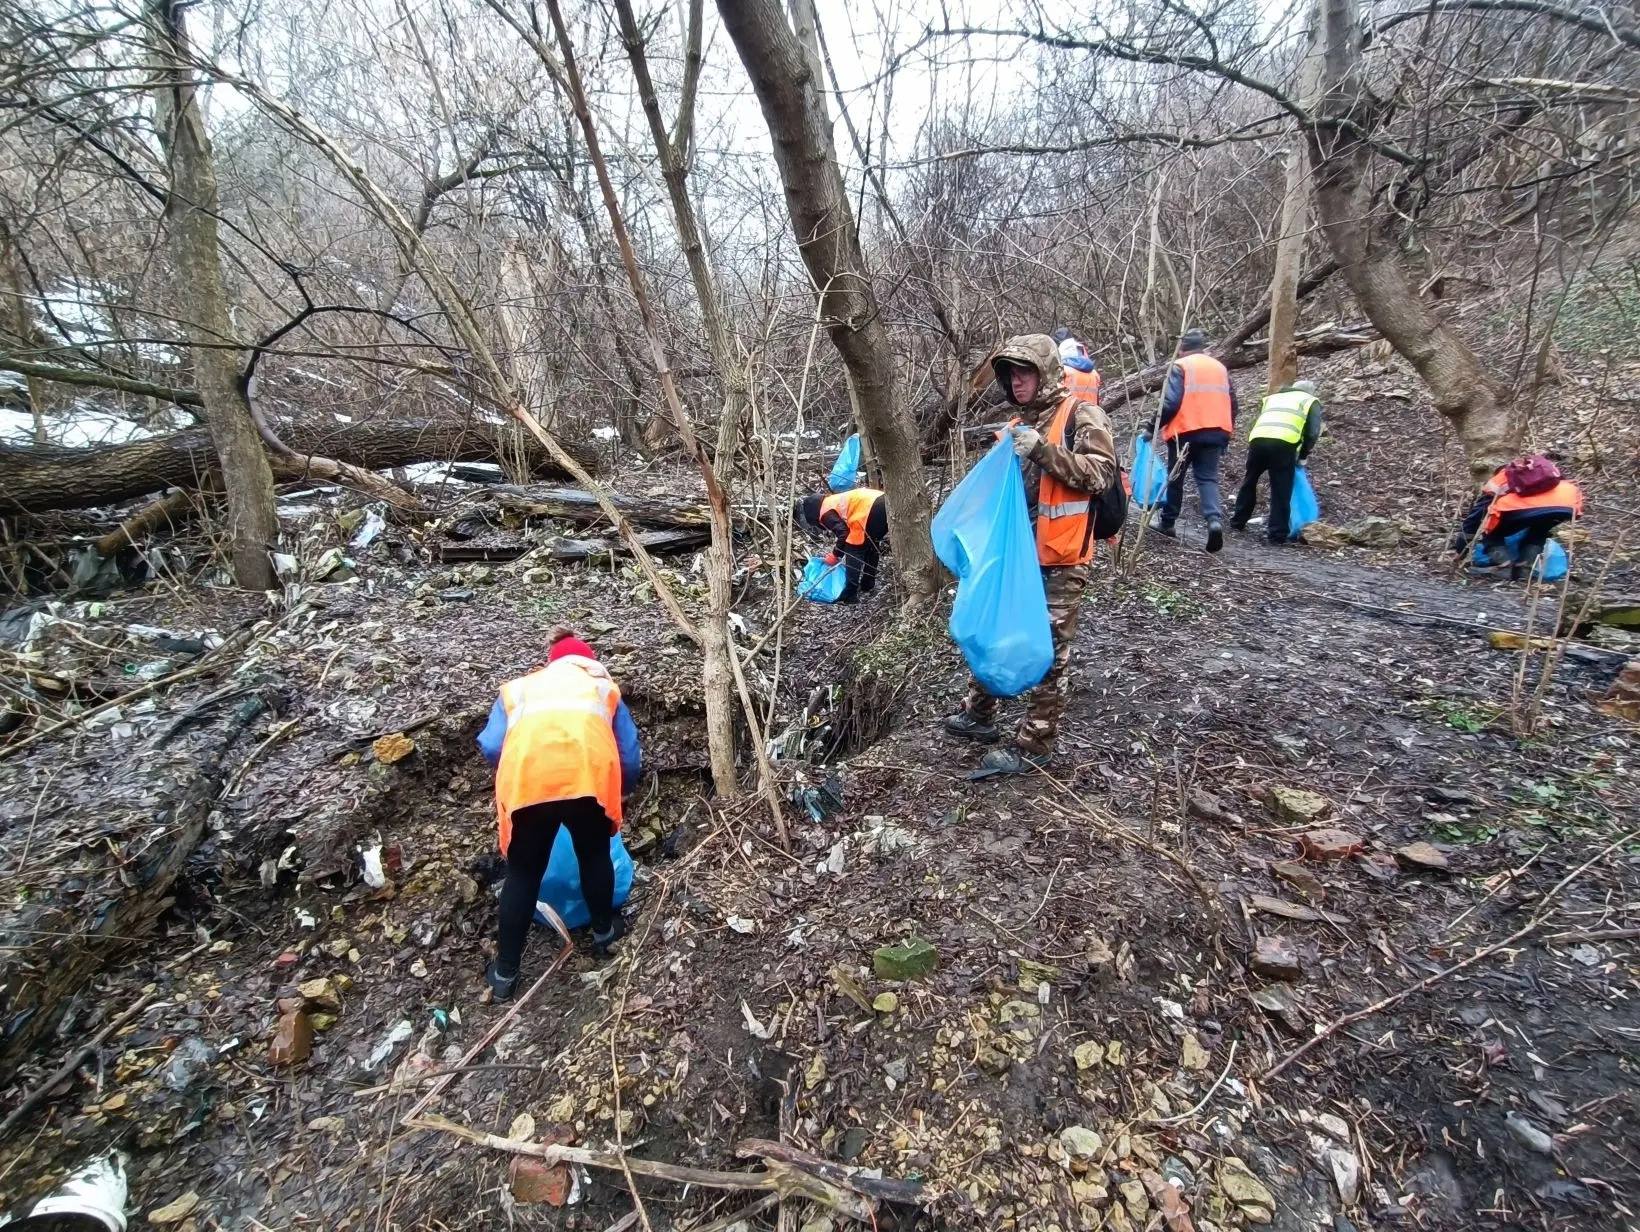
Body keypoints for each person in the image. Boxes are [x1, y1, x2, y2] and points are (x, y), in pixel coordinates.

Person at [942, 333, 1119, 777]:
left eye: (1024, 373)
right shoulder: (1023, 421)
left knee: (1048, 652)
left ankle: (1035, 743)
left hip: (1061, 559)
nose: (1016, 382)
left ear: (1045, 374)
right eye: (1010, 375)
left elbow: (1099, 475)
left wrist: (1040, 451)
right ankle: (979, 715)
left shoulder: (1082, 415)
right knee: (991, 630)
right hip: (1017, 558)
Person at [476, 629, 640, 999]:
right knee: (594, 854)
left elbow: (489, 746)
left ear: (551, 663)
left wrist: (526, 763)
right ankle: (604, 933)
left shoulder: (518, 690)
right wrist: (624, 788)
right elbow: (628, 754)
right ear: (590, 663)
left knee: (522, 873)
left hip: (529, 787)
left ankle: (505, 976)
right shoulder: (602, 689)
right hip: (588, 783)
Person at [1146, 328, 1238, 552]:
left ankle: (1168, 523)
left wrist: (1151, 427)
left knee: (1175, 477)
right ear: (1203, 347)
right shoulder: (1220, 368)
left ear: (1183, 348)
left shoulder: (1181, 366)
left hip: (1185, 431)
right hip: (1216, 430)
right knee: (1207, 479)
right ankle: (1214, 520)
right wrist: (1226, 429)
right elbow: (1234, 403)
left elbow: (1170, 403)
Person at [1453, 454, 1584, 580]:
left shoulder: (1500, 479)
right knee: (1538, 532)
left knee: (1492, 533)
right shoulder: (1545, 472)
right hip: (1566, 506)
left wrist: (1461, 549)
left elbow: (1474, 519)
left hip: (1525, 509)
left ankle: (1504, 568)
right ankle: (1524, 570)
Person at [1230, 378, 1323, 544]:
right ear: (1310, 392)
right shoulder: (1310, 401)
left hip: (1258, 440)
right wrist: (1302, 456)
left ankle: (1237, 521)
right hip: (1283, 444)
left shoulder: (1273, 397)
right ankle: (1277, 533)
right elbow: (1312, 432)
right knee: (1281, 488)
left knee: (1250, 480)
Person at [796, 487, 888, 603]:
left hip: (869, 508)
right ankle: (867, 584)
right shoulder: (830, 501)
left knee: (854, 549)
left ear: (811, 514)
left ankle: (850, 594)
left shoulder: (825, 513)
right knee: (871, 545)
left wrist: (835, 554)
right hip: (882, 500)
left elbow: (844, 533)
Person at [1052, 327, 1102, 404]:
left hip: (1069, 414)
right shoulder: (1094, 374)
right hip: (1093, 414)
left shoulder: (1062, 371)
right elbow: (1098, 400)